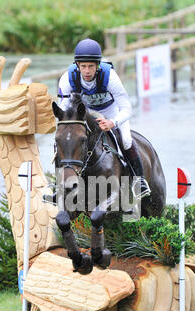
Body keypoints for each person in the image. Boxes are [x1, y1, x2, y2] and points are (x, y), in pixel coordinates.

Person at [57, 38, 151, 199]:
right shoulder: (68, 78)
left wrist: (113, 122)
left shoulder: (110, 77)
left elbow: (127, 108)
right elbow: (64, 111)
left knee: (127, 140)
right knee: (64, 140)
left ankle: (139, 181)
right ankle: (58, 186)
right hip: (85, 113)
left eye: (91, 66)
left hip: (111, 111)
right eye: (83, 66)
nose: (87, 71)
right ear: (77, 65)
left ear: (97, 66)